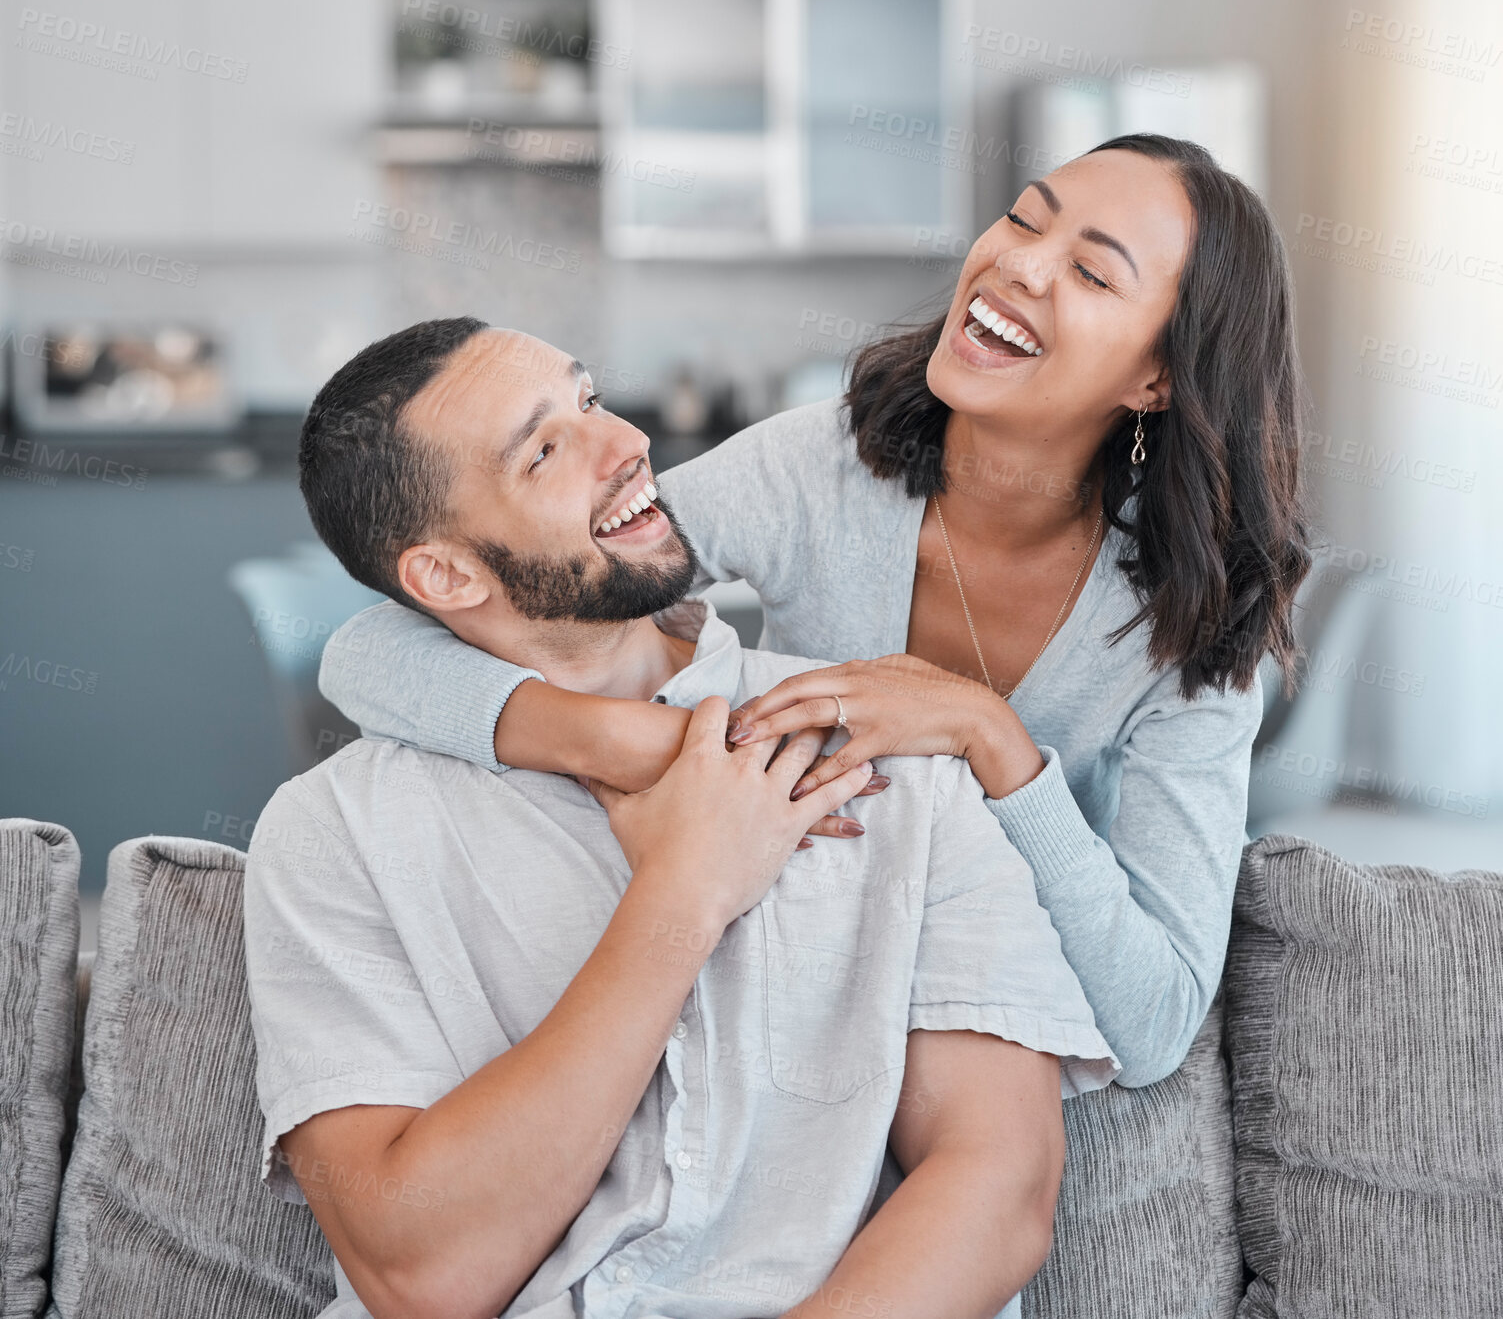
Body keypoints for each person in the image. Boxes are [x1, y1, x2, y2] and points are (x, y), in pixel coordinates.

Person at [319, 133, 1312, 1089]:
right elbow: (368, 655)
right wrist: (625, 742)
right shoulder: (821, 471)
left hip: (994, 1040)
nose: (1018, 266)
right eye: (1022, 220)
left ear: (1158, 377)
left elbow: (1159, 1023)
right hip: (800, 999)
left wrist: (990, 738)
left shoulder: (1193, 632)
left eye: (1092, 273)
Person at [244, 318, 1119, 1319]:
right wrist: (684, 896)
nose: (624, 444)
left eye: (588, 399)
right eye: (545, 450)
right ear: (446, 576)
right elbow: (421, 1276)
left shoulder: (883, 748)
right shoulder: (333, 833)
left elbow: (999, 1188)